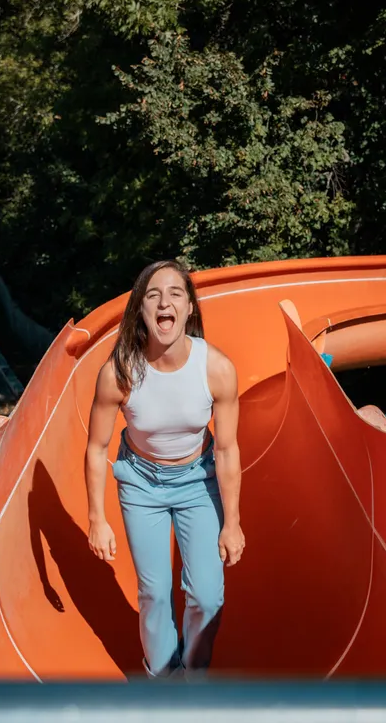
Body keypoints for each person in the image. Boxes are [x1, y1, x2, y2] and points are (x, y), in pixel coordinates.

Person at [84, 259, 245, 680]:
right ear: (140, 309)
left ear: (189, 308)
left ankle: (193, 673)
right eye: (152, 295)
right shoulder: (119, 373)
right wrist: (96, 519)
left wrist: (232, 522)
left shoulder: (216, 369)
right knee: (154, 593)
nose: (163, 303)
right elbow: (97, 447)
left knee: (207, 597)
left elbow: (227, 449)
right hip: (141, 484)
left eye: (175, 293)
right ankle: (162, 679)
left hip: (198, 480)